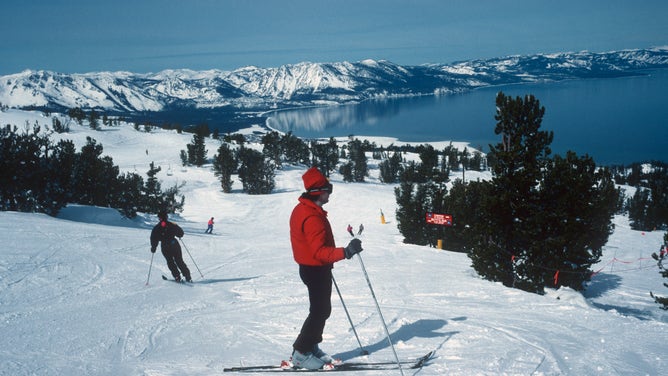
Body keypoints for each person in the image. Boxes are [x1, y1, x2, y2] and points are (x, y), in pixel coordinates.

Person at [289, 167, 363, 370]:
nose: (330, 192)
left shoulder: (305, 209)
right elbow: (319, 252)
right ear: (318, 191)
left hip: (312, 267)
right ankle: (301, 352)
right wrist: (346, 252)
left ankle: (309, 346)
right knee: (320, 311)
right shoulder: (312, 217)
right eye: (328, 188)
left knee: (321, 310)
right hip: (315, 268)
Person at [150, 211, 192, 282]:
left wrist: (154, 247)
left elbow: (154, 238)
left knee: (170, 261)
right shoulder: (173, 225)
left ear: (159, 218)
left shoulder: (157, 227)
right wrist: (177, 234)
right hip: (174, 244)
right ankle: (187, 276)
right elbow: (181, 233)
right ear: (166, 217)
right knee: (179, 260)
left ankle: (177, 276)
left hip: (165, 246)